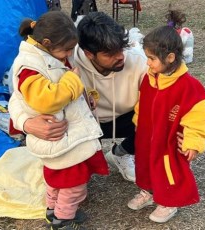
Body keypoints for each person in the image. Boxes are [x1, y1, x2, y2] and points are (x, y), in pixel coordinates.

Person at [9, 11, 148, 183]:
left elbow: (165, 97)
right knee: (71, 184)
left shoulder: (139, 62)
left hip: (127, 118)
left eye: (121, 48)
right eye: (109, 54)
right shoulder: (65, 55)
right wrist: (26, 124)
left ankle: (122, 152)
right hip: (81, 123)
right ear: (89, 53)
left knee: (161, 121)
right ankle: (68, 168)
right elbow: (18, 95)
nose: (120, 57)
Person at [9, 11, 109, 229]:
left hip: (64, 138)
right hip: (61, 139)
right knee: (73, 185)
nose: (69, 54)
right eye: (66, 49)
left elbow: (63, 86)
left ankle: (53, 211)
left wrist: (86, 97)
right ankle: (63, 219)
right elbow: (46, 100)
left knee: (56, 180)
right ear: (46, 43)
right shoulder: (30, 67)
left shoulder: (50, 55)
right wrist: (73, 81)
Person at [127, 25, 205, 223]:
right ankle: (149, 192)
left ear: (170, 58)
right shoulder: (150, 79)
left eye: (151, 59)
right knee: (145, 164)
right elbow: (142, 103)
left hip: (169, 141)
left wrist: (193, 142)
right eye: (147, 58)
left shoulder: (189, 87)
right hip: (147, 136)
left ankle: (169, 201)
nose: (147, 63)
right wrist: (137, 123)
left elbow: (199, 117)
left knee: (168, 170)